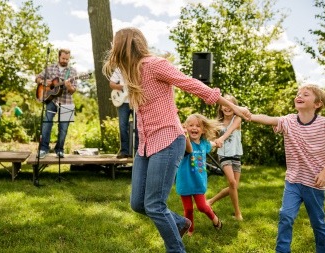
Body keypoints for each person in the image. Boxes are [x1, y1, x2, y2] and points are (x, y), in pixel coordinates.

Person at [102, 27, 250, 253]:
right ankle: (180, 223)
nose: (114, 51)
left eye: (116, 45)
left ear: (126, 46)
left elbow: (191, 84)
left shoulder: (155, 65)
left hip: (168, 140)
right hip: (145, 145)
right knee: (138, 204)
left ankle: (176, 249)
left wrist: (232, 106)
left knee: (154, 204)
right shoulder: (129, 72)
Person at [250, 84, 325, 253]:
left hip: (314, 182)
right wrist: (249, 115)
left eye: (306, 94)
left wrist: (324, 172)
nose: (299, 96)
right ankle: (282, 251)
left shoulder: (324, 124)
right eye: (298, 94)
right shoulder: (288, 121)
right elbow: (268, 119)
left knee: (318, 222)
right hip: (293, 181)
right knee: (285, 216)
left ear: (317, 104)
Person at [176, 114, 223, 236]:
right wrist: (183, 134)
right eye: (191, 125)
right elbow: (188, 147)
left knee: (202, 206)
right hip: (185, 181)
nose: (194, 128)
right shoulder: (183, 144)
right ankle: (190, 230)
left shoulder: (204, 144)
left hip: (198, 181)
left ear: (203, 130)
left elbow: (210, 144)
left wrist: (217, 143)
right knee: (189, 209)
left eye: (198, 126)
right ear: (186, 127)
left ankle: (215, 219)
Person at [207, 94, 244, 221]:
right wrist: (211, 142)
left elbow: (229, 131)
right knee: (232, 183)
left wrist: (221, 138)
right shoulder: (218, 123)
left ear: (234, 107)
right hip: (223, 155)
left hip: (236, 155)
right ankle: (238, 213)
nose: (227, 108)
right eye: (225, 105)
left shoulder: (237, 118)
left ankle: (210, 201)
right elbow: (212, 138)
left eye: (230, 105)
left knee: (234, 187)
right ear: (221, 107)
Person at [35, 48, 78, 159]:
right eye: (63, 58)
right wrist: (43, 82)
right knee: (46, 124)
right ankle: (44, 149)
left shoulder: (73, 71)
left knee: (64, 128)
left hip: (67, 101)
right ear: (58, 56)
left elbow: (73, 90)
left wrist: (69, 86)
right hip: (51, 99)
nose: (65, 61)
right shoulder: (50, 68)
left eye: (67, 59)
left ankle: (59, 149)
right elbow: (37, 78)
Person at [109, 68, 139, 158]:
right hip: (122, 102)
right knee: (122, 126)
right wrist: (122, 87)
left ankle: (138, 151)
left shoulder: (138, 67)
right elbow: (111, 83)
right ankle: (124, 151)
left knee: (139, 126)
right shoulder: (119, 69)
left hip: (136, 101)